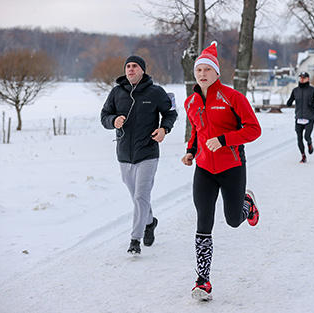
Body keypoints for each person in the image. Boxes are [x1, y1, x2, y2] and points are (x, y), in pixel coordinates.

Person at [181, 42, 262, 301]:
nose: (202, 74)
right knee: (203, 222)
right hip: (204, 168)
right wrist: (191, 151)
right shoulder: (190, 102)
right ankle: (202, 281)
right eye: (199, 70)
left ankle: (246, 204)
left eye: (207, 69)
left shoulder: (232, 97)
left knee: (233, 220)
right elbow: (197, 132)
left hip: (232, 166)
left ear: (217, 73)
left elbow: (253, 129)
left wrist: (225, 140)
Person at [101, 55, 178, 254]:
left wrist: (164, 130)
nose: (131, 69)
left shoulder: (156, 92)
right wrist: (113, 121)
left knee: (141, 195)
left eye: (135, 66)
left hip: (148, 152)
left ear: (142, 70)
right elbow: (104, 116)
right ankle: (150, 222)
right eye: (128, 66)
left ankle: (135, 240)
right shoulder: (117, 93)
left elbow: (171, 113)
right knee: (137, 197)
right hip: (124, 154)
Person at [286, 71, 314, 163]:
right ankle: (303, 156)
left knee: (307, 136)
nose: (302, 79)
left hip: (309, 117)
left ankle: (309, 143)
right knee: (299, 138)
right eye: (301, 77)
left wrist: (313, 105)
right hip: (298, 117)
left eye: (304, 77)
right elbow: (290, 101)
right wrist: (289, 103)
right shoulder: (295, 90)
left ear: (308, 79)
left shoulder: (312, 90)